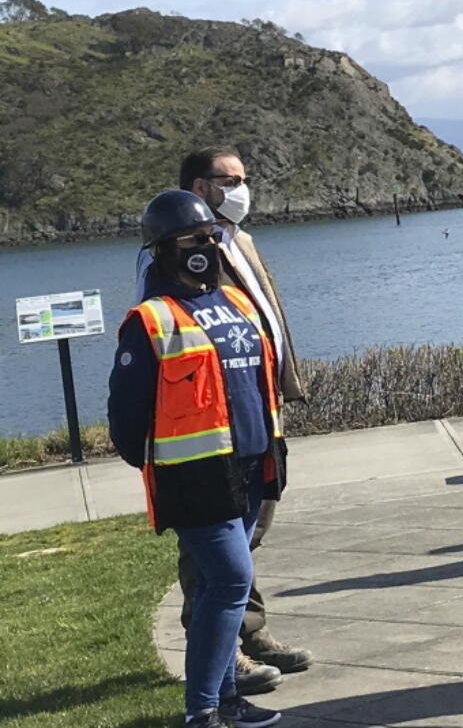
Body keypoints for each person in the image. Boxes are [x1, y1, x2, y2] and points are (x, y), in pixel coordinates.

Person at [137, 146, 311, 694]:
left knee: (250, 531)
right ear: (199, 186)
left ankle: (248, 629)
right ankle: (218, 653)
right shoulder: (169, 255)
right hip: (209, 429)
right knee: (210, 545)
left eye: (244, 177)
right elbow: (159, 342)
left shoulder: (240, 241)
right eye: (229, 179)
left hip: (257, 411)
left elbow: (263, 313)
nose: (241, 187)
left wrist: (282, 380)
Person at [109, 190, 285, 728]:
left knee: (217, 587)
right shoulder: (150, 319)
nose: (206, 246)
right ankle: (202, 711)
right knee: (232, 581)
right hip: (198, 476)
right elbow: (126, 411)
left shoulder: (235, 302)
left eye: (211, 236)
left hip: (254, 464)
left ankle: (227, 700)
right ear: (162, 251)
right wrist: (158, 464)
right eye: (192, 239)